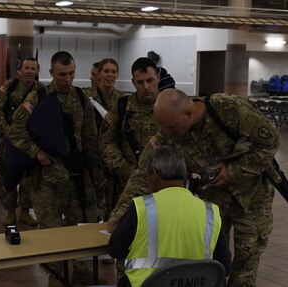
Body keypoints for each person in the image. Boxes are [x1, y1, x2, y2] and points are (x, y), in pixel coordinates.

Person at [109, 89, 280, 287]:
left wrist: (232, 171)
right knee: (212, 264)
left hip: (252, 199)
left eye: (171, 127)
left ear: (188, 113)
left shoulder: (228, 109)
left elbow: (271, 142)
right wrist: (120, 212)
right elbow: (142, 173)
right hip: (215, 202)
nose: (168, 132)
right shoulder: (168, 131)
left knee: (245, 269)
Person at [8, 51, 102, 286]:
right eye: (62, 75)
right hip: (48, 178)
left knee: (81, 223)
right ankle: (56, 275)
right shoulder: (37, 98)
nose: (67, 79)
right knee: (50, 228)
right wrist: (36, 152)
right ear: (51, 73)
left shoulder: (81, 98)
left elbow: (90, 136)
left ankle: (82, 269)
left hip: (77, 175)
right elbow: (16, 131)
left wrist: (95, 168)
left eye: (71, 74)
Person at [108, 145, 231, 287]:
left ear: (154, 173)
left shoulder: (140, 206)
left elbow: (115, 250)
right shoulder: (210, 212)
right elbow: (224, 267)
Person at [100, 57, 174, 217]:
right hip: (126, 185)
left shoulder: (171, 105)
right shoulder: (122, 107)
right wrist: (125, 169)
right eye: (140, 82)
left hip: (164, 185)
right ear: (133, 82)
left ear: (158, 78)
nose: (146, 87)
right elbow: (106, 143)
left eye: (150, 80)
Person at [0, 57, 43, 226]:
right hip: (10, 141)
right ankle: (11, 212)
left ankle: (25, 211)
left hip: (31, 143)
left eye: (33, 68)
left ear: (37, 71)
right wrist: (8, 132)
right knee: (9, 176)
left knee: (28, 178)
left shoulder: (41, 91)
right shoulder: (9, 87)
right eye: (26, 68)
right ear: (20, 70)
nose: (29, 71)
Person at [85, 58, 125, 221]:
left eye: (113, 71)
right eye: (106, 71)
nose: (110, 75)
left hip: (114, 158)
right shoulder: (87, 96)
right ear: (99, 74)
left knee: (114, 201)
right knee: (92, 202)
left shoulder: (122, 100)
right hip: (92, 156)